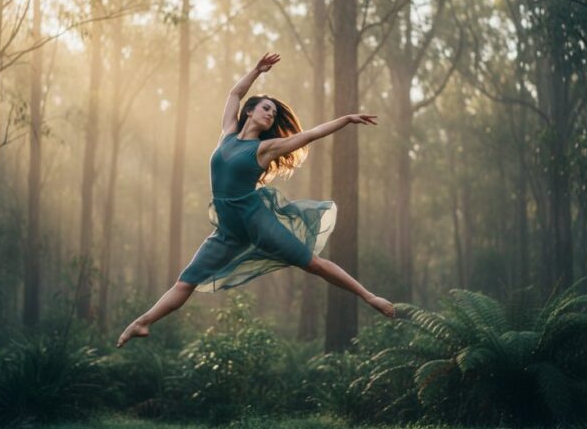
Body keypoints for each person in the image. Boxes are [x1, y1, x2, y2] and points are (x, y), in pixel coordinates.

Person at [117, 52, 396, 348]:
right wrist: (256, 71)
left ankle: (370, 297)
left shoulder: (265, 149)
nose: (270, 114)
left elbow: (311, 134)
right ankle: (142, 322)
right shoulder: (227, 133)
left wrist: (346, 119)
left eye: (273, 113)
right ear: (249, 111)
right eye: (266, 108)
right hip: (228, 231)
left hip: (256, 221)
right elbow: (235, 93)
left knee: (312, 263)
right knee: (186, 281)